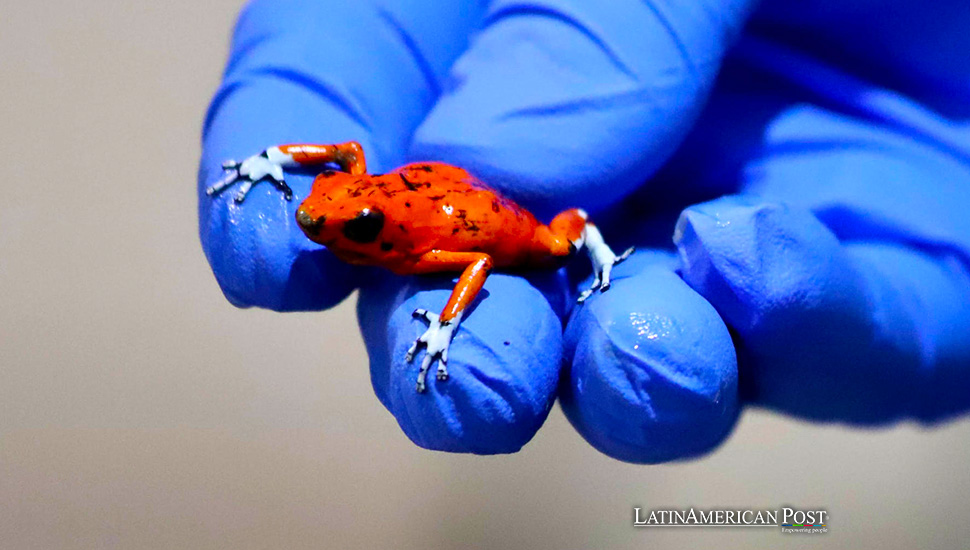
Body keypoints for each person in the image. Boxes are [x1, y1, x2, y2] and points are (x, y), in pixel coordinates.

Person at [199, 0, 970, 462]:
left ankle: (600, 251)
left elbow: (470, 262)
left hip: (511, 228)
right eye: (341, 206)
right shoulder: (360, 186)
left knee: (559, 239)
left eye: (356, 223)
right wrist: (280, 158)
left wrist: (445, 327)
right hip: (435, 194)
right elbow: (348, 155)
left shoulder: (427, 249)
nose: (329, 215)